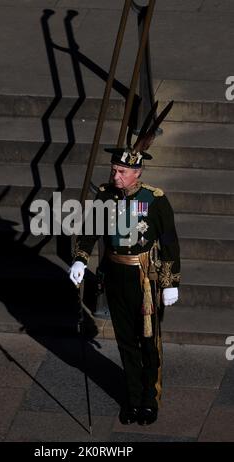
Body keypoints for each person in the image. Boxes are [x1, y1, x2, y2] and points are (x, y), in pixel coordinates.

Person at [69, 101, 180, 426]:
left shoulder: (154, 200)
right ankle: (132, 399)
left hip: (145, 277)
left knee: (148, 341)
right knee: (125, 340)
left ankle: (150, 399)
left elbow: (170, 242)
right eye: (114, 170)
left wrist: (171, 282)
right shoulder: (104, 196)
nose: (115, 175)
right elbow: (90, 231)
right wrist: (79, 259)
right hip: (115, 274)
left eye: (121, 171)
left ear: (137, 172)